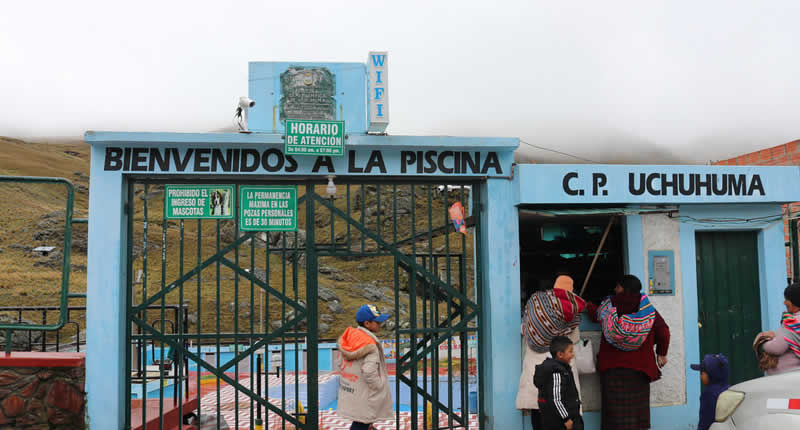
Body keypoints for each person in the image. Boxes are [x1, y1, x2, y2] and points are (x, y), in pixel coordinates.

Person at [587, 274, 670, 430]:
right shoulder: (646, 308)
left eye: (617, 286)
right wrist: (661, 353)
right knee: (637, 416)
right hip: (639, 371)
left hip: (612, 370)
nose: (614, 289)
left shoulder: (608, 305)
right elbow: (664, 331)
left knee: (613, 417)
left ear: (624, 288)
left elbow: (595, 314)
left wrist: (589, 306)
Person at [516, 275, 586, 429]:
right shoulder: (571, 313)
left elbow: (524, 330)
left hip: (536, 369)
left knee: (539, 409)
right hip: (561, 376)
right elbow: (574, 338)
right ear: (571, 291)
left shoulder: (535, 304)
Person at [334, 304, 393, 430]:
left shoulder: (349, 338)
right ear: (367, 323)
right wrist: (379, 386)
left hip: (352, 390)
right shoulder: (370, 344)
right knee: (361, 424)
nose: (380, 324)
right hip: (366, 395)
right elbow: (369, 371)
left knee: (362, 423)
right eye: (377, 322)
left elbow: (339, 363)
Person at [533, 336, 584, 430]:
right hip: (560, 422)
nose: (573, 354)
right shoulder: (557, 371)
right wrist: (566, 419)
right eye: (570, 351)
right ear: (560, 354)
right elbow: (556, 399)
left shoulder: (563, 369)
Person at [754, 282, 800, 375]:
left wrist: (762, 339)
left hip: (787, 379)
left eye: (787, 299)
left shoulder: (793, 322)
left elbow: (776, 348)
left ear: (794, 301)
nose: (784, 302)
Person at [690, 354, 730, 430]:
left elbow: (705, 421)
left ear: (711, 375)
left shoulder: (708, 395)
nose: (700, 376)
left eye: (702, 373)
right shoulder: (728, 389)